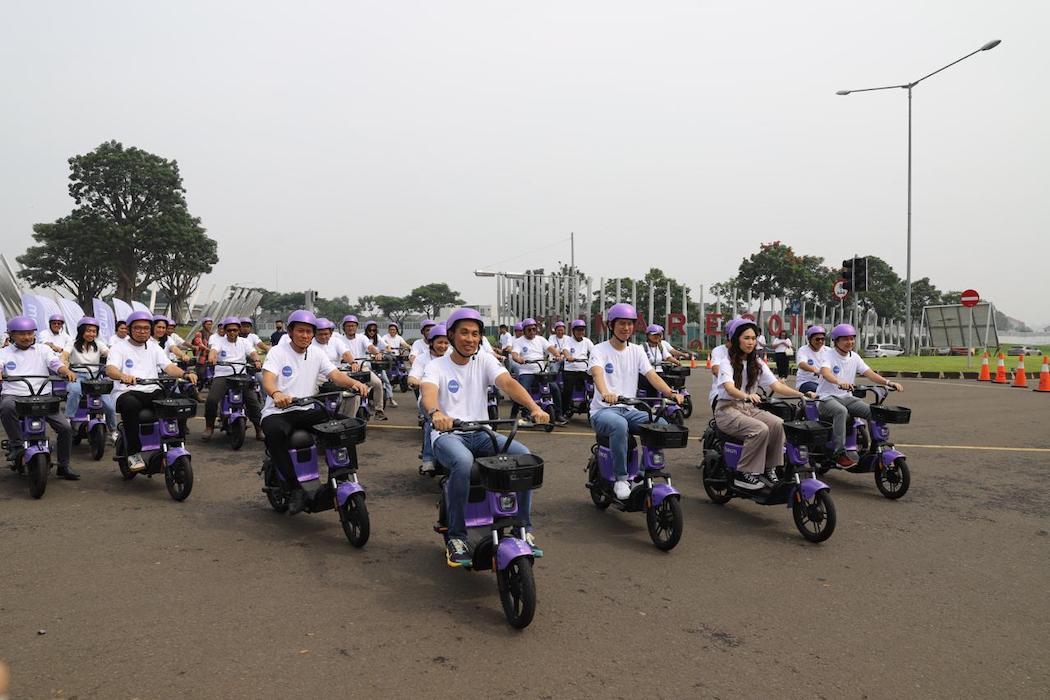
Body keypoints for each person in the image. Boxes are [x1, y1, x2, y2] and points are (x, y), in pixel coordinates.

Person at [421, 308, 550, 567]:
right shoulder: (436, 366)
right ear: (451, 335)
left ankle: (522, 528)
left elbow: (508, 383)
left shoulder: (485, 361)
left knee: (524, 457)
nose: (470, 339)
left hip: (482, 432)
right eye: (464, 333)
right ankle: (457, 537)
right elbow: (428, 392)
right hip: (448, 435)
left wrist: (534, 407)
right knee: (462, 463)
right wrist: (436, 413)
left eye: (475, 334)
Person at [260, 310, 369, 515]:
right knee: (274, 433)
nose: (305, 335)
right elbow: (268, 379)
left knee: (345, 426)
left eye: (309, 332)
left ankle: (344, 474)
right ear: (290, 332)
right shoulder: (277, 352)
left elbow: (335, 374)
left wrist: (354, 383)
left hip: (308, 408)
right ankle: (294, 489)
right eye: (300, 331)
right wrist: (276, 393)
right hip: (279, 411)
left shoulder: (317, 354)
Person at [589, 304, 683, 499]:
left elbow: (651, 375)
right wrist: (606, 393)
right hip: (603, 411)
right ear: (611, 325)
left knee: (660, 424)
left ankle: (641, 474)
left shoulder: (637, 350)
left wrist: (670, 392)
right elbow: (597, 373)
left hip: (629, 409)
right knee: (619, 425)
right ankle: (621, 479)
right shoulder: (599, 350)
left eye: (630, 324)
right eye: (621, 323)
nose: (626, 328)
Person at [713, 318, 815, 491]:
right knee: (759, 429)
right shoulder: (726, 362)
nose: (751, 342)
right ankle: (744, 473)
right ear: (736, 339)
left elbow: (776, 386)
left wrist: (801, 394)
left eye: (753, 338)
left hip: (748, 409)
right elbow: (729, 388)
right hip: (727, 410)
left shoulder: (757, 363)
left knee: (778, 424)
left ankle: (769, 468)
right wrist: (746, 395)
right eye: (746, 338)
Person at [106, 311, 198, 473]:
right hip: (127, 392)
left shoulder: (154, 347)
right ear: (129, 329)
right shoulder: (118, 348)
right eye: (138, 328)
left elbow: (168, 367)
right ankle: (133, 453)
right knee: (130, 405)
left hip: (153, 389)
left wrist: (185, 374)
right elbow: (110, 369)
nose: (142, 331)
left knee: (180, 402)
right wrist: (122, 376)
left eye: (146, 328)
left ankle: (175, 444)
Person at [1, 316, 79, 479]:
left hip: (43, 397)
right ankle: (17, 445)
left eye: (30, 333)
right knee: (6, 407)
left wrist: (66, 371)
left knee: (65, 428)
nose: (26, 337)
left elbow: (55, 363)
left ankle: (63, 465)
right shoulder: (4, 352)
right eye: (21, 334)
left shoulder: (43, 350)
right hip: (15, 396)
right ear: (11, 335)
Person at [817, 324, 903, 467]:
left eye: (852, 339)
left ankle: (876, 446)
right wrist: (839, 381)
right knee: (841, 411)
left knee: (873, 411)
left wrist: (888, 382)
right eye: (845, 339)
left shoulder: (855, 357)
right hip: (826, 398)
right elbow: (825, 373)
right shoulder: (828, 355)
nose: (850, 342)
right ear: (836, 341)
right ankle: (839, 453)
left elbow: (870, 374)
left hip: (847, 397)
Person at [203, 317, 264, 441]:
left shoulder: (244, 342)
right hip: (222, 375)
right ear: (225, 330)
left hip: (241, 374)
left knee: (253, 400)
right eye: (229, 330)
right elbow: (213, 351)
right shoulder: (219, 342)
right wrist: (212, 358)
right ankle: (209, 427)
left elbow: (253, 353)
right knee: (211, 400)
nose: (232, 332)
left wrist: (257, 360)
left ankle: (259, 429)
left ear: (239, 330)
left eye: (235, 330)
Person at [62, 316, 118, 443]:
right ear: (81, 331)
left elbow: (110, 354)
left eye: (94, 331)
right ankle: (68, 418)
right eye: (88, 331)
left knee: (109, 405)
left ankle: (113, 431)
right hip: (77, 375)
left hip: (96, 377)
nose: (91, 334)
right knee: (75, 391)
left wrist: (115, 361)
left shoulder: (99, 344)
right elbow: (64, 356)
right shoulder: (72, 343)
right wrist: (66, 367)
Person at [408, 323, 449, 474]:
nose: (443, 346)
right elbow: (412, 377)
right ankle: (428, 459)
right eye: (439, 342)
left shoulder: (453, 356)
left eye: (446, 342)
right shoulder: (422, 359)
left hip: (451, 400)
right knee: (432, 423)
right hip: (427, 400)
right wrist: (420, 383)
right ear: (431, 342)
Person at [510, 318, 566, 426]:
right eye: (529, 330)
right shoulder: (519, 341)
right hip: (526, 371)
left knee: (554, 388)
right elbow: (514, 354)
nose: (532, 332)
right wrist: (518, 359)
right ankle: (516, 413)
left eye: (534, 329)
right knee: (522, 390)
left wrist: (558, 355)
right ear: (524, 330)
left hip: (541, 371)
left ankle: (558, 414)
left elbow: (551, 349)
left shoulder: (541, 339)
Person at [340, 315, 387, 420]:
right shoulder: (339, 339)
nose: (351, 328)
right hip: (345, 369)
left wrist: (377, 353)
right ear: (344, 327)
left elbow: (370, 347)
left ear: (356, 327)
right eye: (348, 326)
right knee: (349, 392)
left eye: (353, 326)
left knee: (378, 383)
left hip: (362, 368)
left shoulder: (362, 338)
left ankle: (379, 410)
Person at [639, 324, 690, 396]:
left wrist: (677, 362)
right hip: (646, 374)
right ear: (648, 335)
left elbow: (668, 357)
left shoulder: (661, 347)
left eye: (659, 335)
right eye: (654, 335)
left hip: (659, 372)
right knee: (646, 392)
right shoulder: (642, 347)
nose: (656, 337)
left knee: (667, 387)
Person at [560, 320, 594, 417]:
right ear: (573, 331)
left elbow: (594, 351)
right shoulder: (568, 340)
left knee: (592, 388)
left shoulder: (587, 341)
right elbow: (565, 350)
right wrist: (568, 356)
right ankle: (564, 410)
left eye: (582, 330)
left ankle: (591, 405)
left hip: (584, 370)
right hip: (570, 370)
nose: (580, 332)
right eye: (578, 330)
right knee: (568, 390)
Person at [364, 320, 397, 407]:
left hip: (377, 364)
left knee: (386, 380)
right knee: (364, 381)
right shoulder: (362, 338)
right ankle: (364, 400)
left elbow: (386, 346)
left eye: (374, 330)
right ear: (366, 330)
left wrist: (388, 350)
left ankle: (391, 399)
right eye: (370, 330)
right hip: (366, 363)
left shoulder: (378, 338)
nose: (372, 332)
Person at [795, 326, 827, 394]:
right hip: (806, 382)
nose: (820, 341)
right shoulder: (803, 350)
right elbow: (801, 364)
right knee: (820, 391)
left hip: (823, 383)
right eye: (817, 339)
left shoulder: (828, 350)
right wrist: (815, 370)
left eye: (822, 339)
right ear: (810, 339)